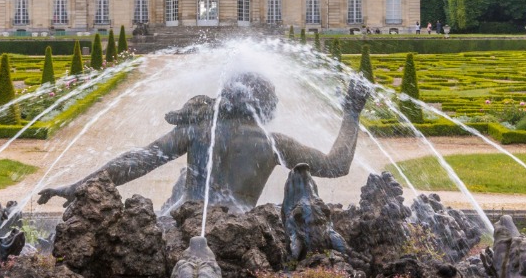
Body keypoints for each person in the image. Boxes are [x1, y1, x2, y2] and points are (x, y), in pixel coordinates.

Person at [38, 72, 370, 214]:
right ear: (265, 106)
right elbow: (337, 165)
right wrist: (352, 113)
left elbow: (138, 160)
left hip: (185, 226)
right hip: (243, 234)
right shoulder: (273, 143)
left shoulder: (198, 130)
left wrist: (78, 186)